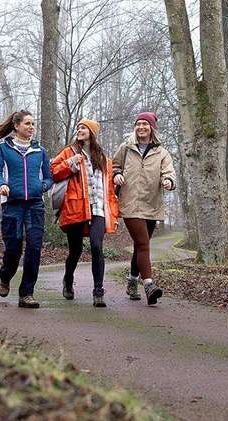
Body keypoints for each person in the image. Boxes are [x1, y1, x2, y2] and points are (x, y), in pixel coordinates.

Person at [0, 110, 52, 308]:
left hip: (34, 205)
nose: (31, 127)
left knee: (34, 248)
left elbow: (49, 177)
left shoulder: (40, 151)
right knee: (13, 248)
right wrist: (1, 185)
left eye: (33, 124)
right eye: (28, 124)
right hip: (12, 204)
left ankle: (26, 294)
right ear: (16, 126)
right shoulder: (3, 149)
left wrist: (42, 187)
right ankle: (5, 276)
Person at [50, 119, 120, 308]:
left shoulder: (104, 158)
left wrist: (114, 213)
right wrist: (69, 164)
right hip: (76, 208)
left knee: (97, 246)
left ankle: (98, 291)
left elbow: (109, 189)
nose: (79, 130)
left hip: (98, 209)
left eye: (83, 127)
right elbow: (52, 172)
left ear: (92, 132)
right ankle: (68, 279)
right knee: (75, 251)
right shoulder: (69, 152)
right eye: (78, 127)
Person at [112, 112, 176, 305]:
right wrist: (116, 175)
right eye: (138, 124)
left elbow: (169, 172)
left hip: (152, 204)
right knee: (143, 243)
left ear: (151, 128)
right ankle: (148, 284)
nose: (141, 127)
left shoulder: (162, 152)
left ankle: (132, 280)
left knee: (141, 245)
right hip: (130, 203)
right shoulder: (125, 148)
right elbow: (114, 166)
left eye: (145, 125)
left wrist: (168, 181)